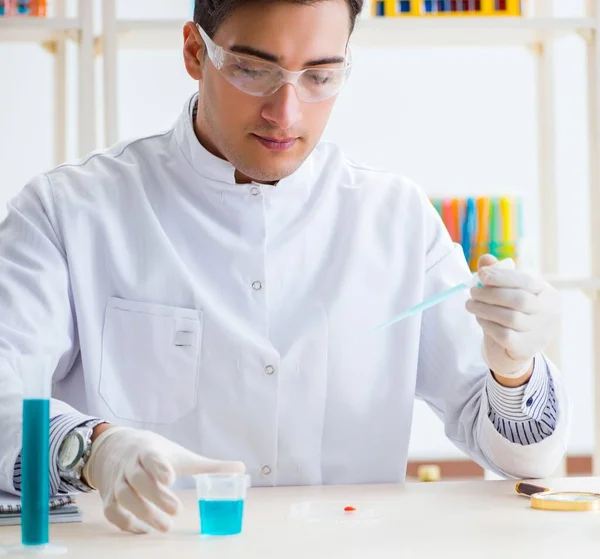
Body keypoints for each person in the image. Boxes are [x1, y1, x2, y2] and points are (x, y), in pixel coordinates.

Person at [0, 0, 568, 536]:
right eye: (252, 70)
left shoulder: (393, 219)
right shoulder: (68, 211)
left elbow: (522, 461)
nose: (286, 112)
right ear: (195, 52)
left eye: (320, 76)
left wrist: (513, 372)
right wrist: (92, 449)